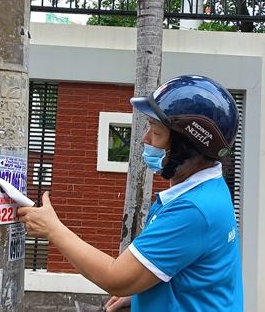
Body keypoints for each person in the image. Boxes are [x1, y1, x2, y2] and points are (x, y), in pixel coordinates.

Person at [18, 75, 243, 311]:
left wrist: (52, 229)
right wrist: (144, 292)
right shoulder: (210, 189)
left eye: (155, 132)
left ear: (187, 145)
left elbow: (116, 278)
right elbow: (193, 271)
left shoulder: (193, 210)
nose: (145, 139)